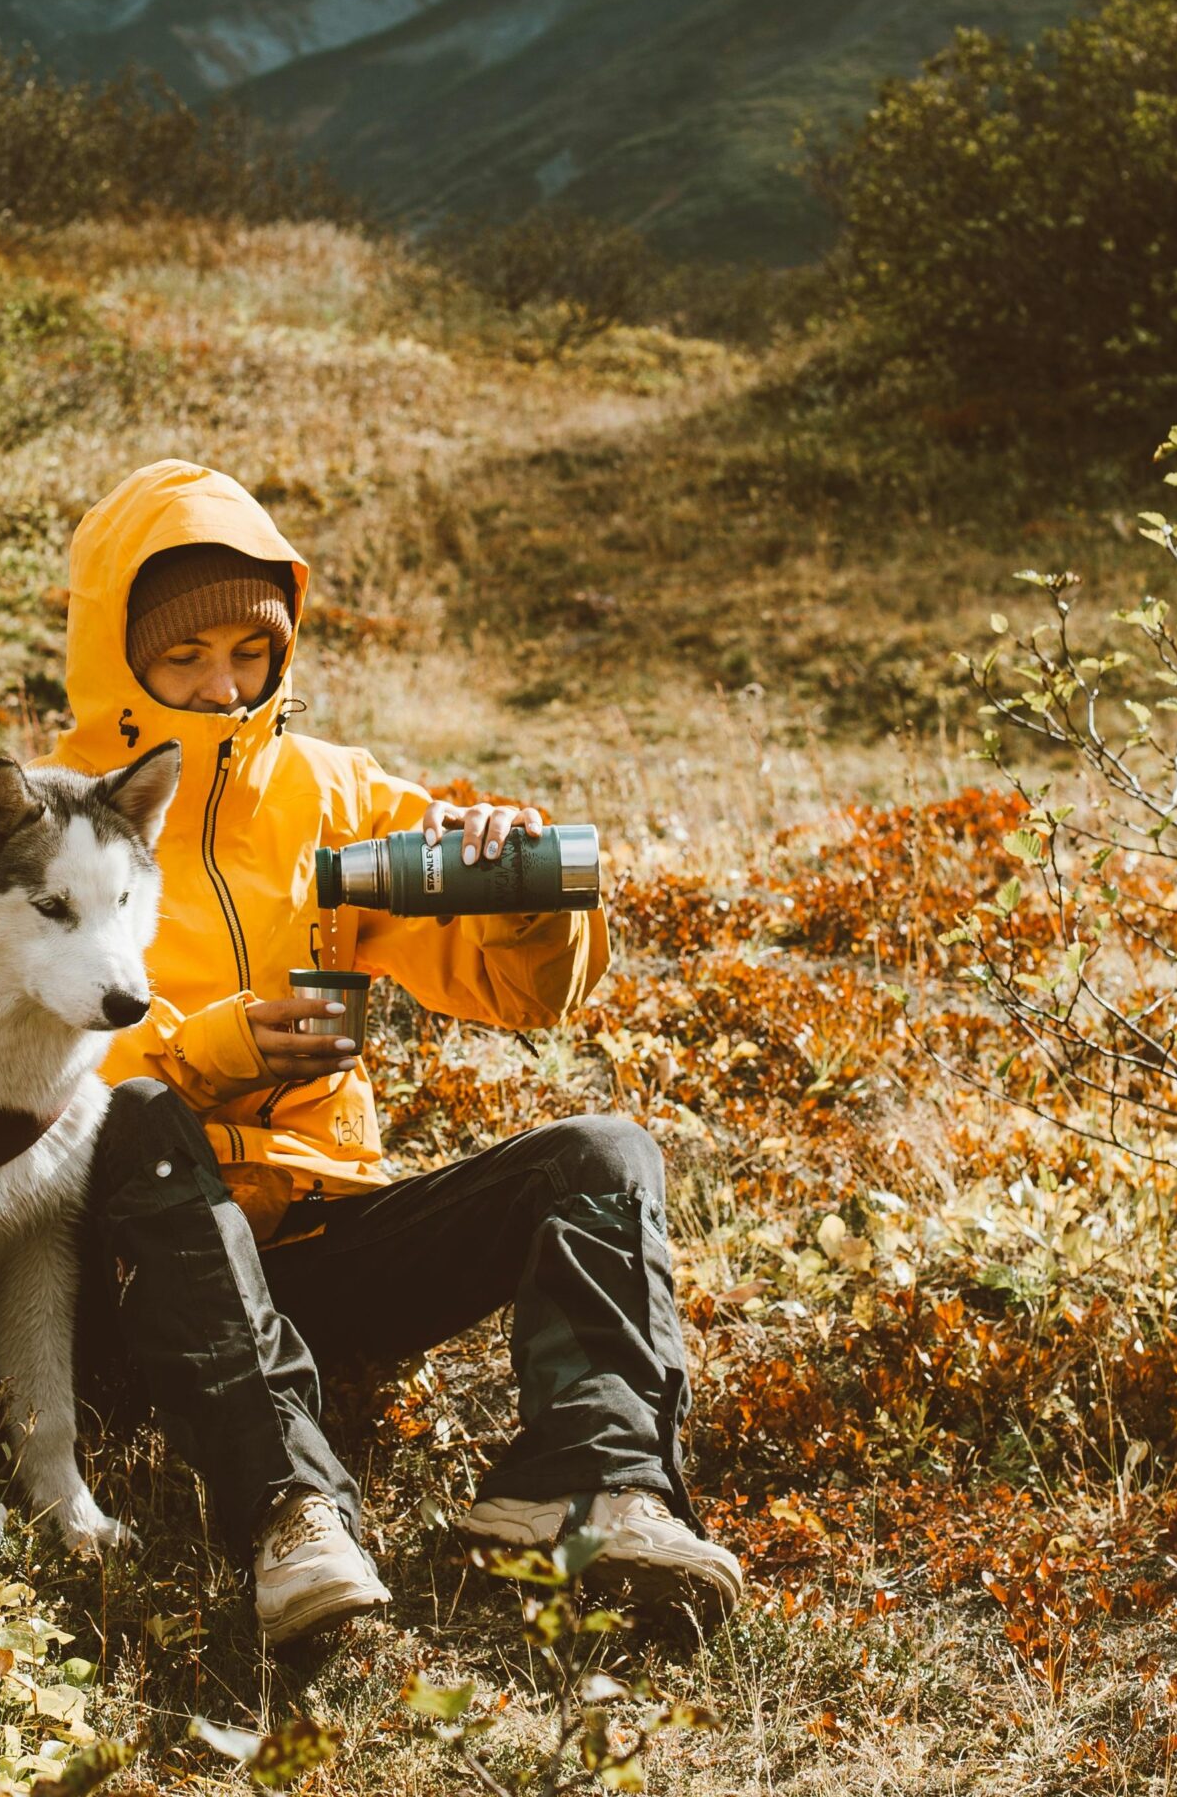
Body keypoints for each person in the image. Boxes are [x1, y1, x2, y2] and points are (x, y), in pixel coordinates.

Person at [49, 461, 744, 1645]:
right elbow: (0, 1081)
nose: (224, 685)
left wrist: (523, 892)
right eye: (184, 658)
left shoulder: (334, 796)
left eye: (250, 653)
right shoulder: (47, 820)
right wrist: (202, 1052)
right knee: (139, 1121)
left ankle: (589, 1488)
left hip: (319, 1247)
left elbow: (532, 995)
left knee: (599, 1152)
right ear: (121, 659)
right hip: (120, 1280)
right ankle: (291, 1515)